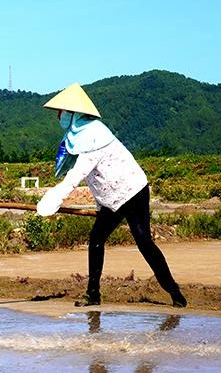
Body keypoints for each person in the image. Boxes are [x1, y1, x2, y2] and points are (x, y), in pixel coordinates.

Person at [35, 83, 187, 308]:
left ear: (72, 113)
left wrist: (57, 197)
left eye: (61, 112)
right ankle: (93, 294)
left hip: (132, 192)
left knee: (144, 241)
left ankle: (175, 293)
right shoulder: (77, 136)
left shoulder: (94, 135)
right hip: (110, 199)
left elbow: (79, 173)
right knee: (96, 239)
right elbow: (97, 178)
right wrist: (99, 206)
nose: (58, 116)